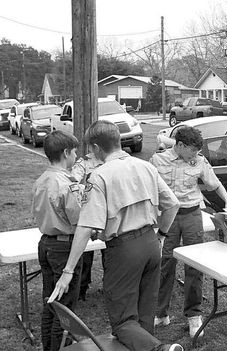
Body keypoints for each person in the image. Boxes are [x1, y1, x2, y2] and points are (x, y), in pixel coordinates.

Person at [48, 120, 183, 351]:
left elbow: (85, 226)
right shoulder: (146, 167)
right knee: (143, 317)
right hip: (150, 244)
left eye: (90, 150)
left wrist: (68, 270)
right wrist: (161, 235)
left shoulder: (99, 176)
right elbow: (173, 204)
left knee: (122, 323)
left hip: (123, 249)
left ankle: (161, 350)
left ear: (97, 148)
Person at [150, 126, 227, 338]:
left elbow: (214, 183)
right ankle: (160, 313)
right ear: (179, 145)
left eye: (197, 151)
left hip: (191, 215)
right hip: (168, 217)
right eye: (192, 150)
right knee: (165, 262)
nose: (194, 155)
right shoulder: (157, 161)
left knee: (194, 266)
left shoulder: (199, 161)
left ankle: (193, 315)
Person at [32, 130, 83, 351]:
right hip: (64, 247)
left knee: (50, 304)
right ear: (66, 152)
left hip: (46, 243)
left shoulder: (42, 179)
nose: (76, 157)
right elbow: (79, 219)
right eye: (74, 152)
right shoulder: (67, 184)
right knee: (65, 309)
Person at [70, 151, 103, 301]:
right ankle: (81, 289)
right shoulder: (84, 162)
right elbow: (73, 182)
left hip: (107, 214)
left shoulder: (113, 161)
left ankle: (110, 286)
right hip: (89, 212)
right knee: (85, 255)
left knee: (111, 255)